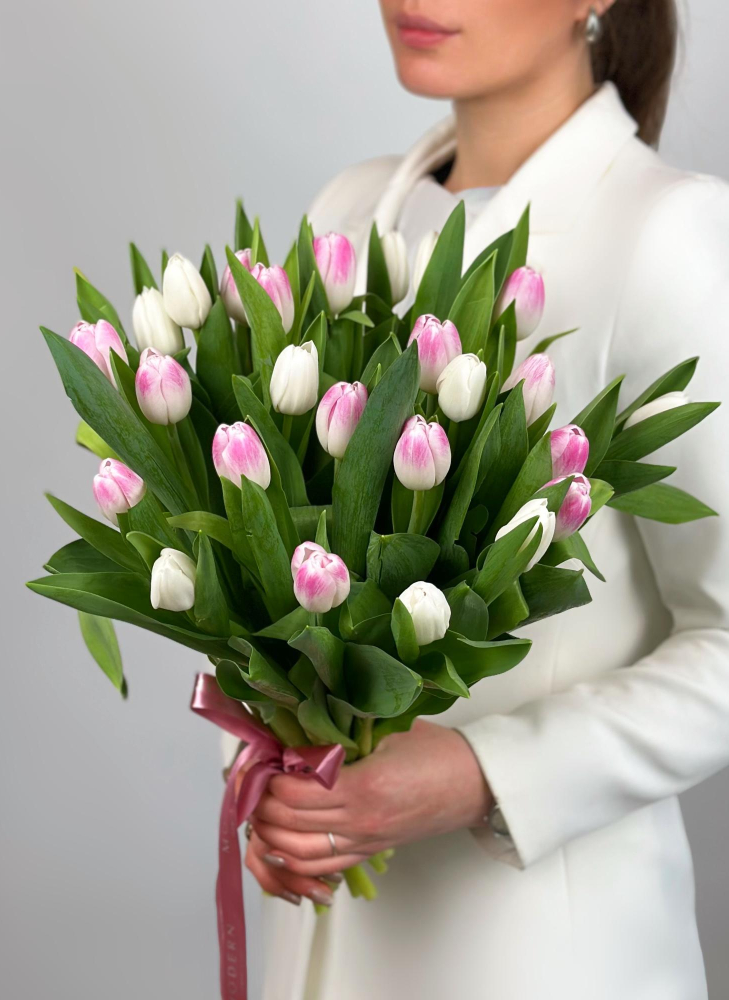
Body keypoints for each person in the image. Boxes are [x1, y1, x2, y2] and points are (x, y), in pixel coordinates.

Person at [242, 3, 729, 997]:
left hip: (544, 955)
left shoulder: (665, 233)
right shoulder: (350, 209)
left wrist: (484, 772)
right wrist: (265, 772)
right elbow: (263, 546)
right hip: (320, 947)